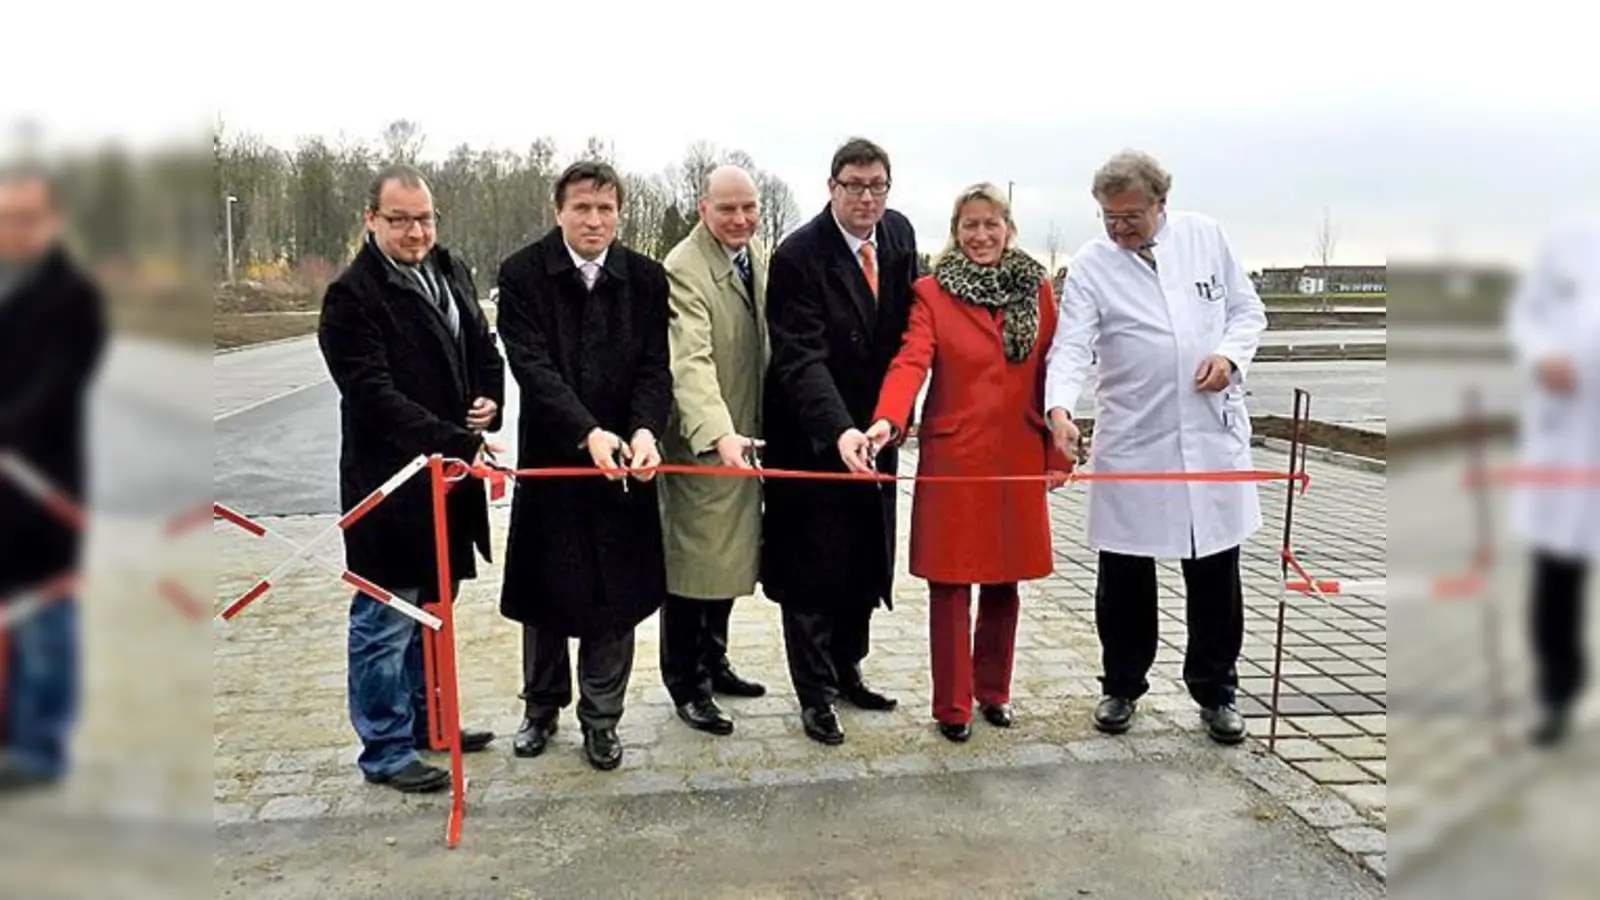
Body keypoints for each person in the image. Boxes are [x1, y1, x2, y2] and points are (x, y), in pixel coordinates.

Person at [1043, 149, 1267, 745]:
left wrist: (1230, 358)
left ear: (1162, 203)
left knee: (1215, 571)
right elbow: (1071, 347)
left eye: (1131, 216)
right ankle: (1121, 685)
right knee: (1124, 574)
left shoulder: (1205, 237)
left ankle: (1216, 691)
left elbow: (1247, 312)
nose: (1119, 228)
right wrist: (1059, 410)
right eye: (1109, 217)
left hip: (1209, 435)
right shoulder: (1092, 265)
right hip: (1135, 438)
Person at [317, 163, 505, 792]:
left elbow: (483, 347)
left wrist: (489, 397)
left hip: (446, 487)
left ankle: (432, 724)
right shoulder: (352, 297)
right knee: (385, 621)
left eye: (424, 218)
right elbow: (373, 397)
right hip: (389, 490)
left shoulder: (450, 270)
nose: (415, 231)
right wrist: (458, 441)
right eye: (399, 220)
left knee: (433, 610)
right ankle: (386, 749)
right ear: (371, 219)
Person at [865, 182, 1075, 742]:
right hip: (955, 458)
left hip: (1017, 452)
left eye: (991, 224)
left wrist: (1057, 447)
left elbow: (1053, 372)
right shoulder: (932, 293)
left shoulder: (1037, 290)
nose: (981, 235)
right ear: (955, 233)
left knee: (1006, 581)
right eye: (969, 226)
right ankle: (952, 705)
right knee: (951, 584)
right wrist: (887, 420)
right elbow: (911, 361)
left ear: (1009, 229)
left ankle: (994, 692)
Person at [496, 161, 671, 771]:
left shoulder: (645, 278)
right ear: (559, 211)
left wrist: (645, 431)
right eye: (582, 208)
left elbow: (656, 367)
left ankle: (602, 719)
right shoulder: (522, 274)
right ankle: (540, 708)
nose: (594, 220)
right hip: (556, 459)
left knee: (613, 597)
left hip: (623, 465)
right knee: (545, 595)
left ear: (618, 213)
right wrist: (586, 432)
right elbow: (532, 368)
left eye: (605, 209)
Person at [761, 137, 919, 745]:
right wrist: (838, 429)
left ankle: (849, 669)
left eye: (877, 185)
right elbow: (799, 356)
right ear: (832, 187)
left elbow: (908, 335)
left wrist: (891, 417)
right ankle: (815, 692)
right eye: (854, 185)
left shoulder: (899, 236)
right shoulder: (798, 255)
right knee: (811, 569)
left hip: (876, 430)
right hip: (813, 433)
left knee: (864, 557)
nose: (866, 198)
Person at [0, 163, 107, 791]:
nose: (14, 229)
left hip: (46, 485)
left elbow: (55, 385)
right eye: (6, 218)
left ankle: (42, 745)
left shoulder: (71, 296)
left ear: (53, 221)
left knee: (44, 612)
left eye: (27, 218)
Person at [657, 165, 770, 736]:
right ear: (703, 208)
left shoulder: (756, 257)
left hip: (744, 435)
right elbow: (690, 363)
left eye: (749, 207)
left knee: (728, 560)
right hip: (705, 443)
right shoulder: (684, 268)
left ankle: (715, 659)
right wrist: (718, 433)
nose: (740, 219)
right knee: (694, 568)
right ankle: (687, 683)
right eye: (727, 208)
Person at [1504, 213, 1600, 747]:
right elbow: (1526, 314)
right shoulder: (1569, 243)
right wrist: (1544, 355)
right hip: (1568, 438)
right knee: (1557, 576)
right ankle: (1557, 694)